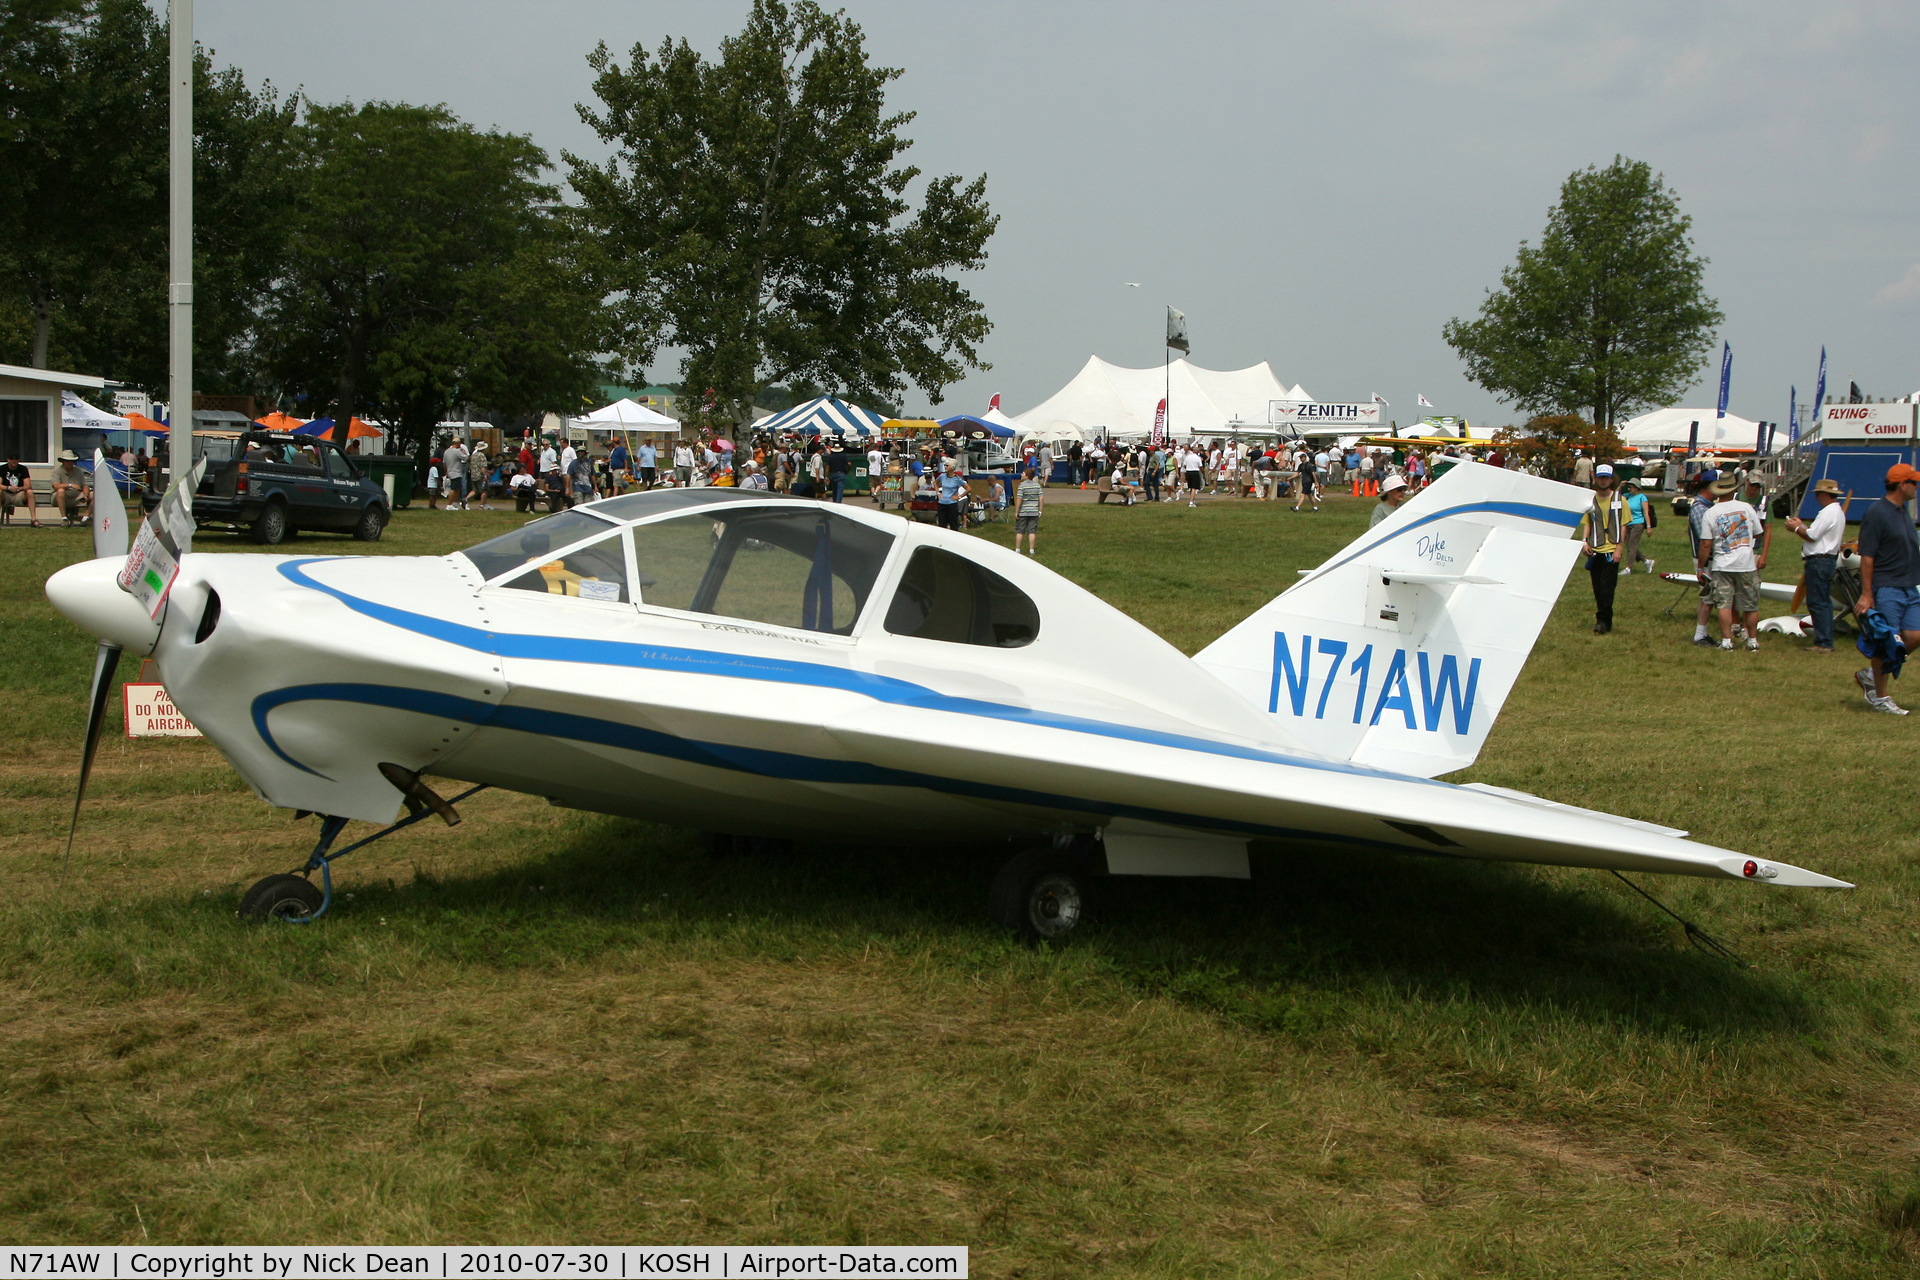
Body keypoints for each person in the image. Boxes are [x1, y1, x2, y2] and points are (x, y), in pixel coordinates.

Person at [1852, 463, 1920, 713]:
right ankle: (1880, 698)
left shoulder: (1903, 511)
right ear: (1902, 485)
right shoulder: (1877, 513)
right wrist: (1867, 594)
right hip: (1887, 587)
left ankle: (1871, 674)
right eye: (1914, 483)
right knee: (1886, 642)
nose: (1916, 487)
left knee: (1914, 636)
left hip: (1909, 586)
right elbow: (1867, 556)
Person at [1698, 474, 1764, 651]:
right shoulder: (1747, 508)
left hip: (1723, 564)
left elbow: (1705, 543)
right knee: (1750, 604)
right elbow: (1758, 532)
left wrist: (1700, 567)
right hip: (1746, 563)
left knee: (1724, 604)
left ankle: (1727, 641)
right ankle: (1752, 641)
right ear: (1735, 489)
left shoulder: (1711, 512)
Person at [1785, 478, 1846, 654]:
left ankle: (1824, 642)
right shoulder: (1837, 512)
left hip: (1819, 560)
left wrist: (1796, 529)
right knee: (1822, 601)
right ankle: (1824, 639)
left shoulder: (1827, 512)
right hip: (1826, 560)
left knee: (1818, 602)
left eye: (1818, 494)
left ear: (1826, 494)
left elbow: (1812, 535)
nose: (1817, 497)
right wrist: (1801, 526)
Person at [1576, 464, 1627, 634]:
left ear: (1612, 480)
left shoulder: (1619, 499)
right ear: (1595, 479)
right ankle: (1602, 619)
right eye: (1600, 478)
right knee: (1597, 588)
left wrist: (1619, 548)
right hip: (1595, 549)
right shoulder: (1591, 500)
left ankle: (1603, 622)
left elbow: (1623, 525)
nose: (1603, 481)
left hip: (1611, 549)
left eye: (1606, 478)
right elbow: (1587, 523)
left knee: (1607, 588)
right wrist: (1584, 542)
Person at [1685, 470, 1719, 646]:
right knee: (1708, 598)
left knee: (1706, 597)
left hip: (1706, 558)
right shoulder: (1700, 509)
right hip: (1705, 559)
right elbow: (1705, 540)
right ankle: (1700, 635)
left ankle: (1701, 633)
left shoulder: (1707, 508)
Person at [1619, 479, 1655, 576]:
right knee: (1630, 546)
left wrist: (1648, 527)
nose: (1629, 488)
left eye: (1631, 487)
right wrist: (1621, 486)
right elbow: (1615, 496)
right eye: (1629, 486)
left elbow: (1646, 513)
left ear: (1636, 487)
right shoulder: (1627, 496)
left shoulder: (1642, 497)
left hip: (1638, 524)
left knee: (1632, 546)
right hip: (1627, 523)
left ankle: (1629, 568)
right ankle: (1646, 561)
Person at [1, 450, 38, 526]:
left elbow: (28, 485)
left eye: (16, 459)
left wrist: (20, 488)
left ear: (19, 460)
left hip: (18, 495)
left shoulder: (23, 469)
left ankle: (34, 520)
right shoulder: (2, 469)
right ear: (8, 460)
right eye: (12, 459)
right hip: (5, 495)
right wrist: (8, 488)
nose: (14, 461)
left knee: (30, 492)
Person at [1013, 464, 1044, 554]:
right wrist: (1040, 510)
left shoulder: (1022, 486)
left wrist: (1017, 511)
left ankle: (1018, 549)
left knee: (1020, 530)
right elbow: (1041, 498)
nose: (1021, 475)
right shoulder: (1037, 485)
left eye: (1023, 473)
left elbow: (1019, 499)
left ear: (1027, 476)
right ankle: (1031, 550)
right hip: (1034, 511)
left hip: (1023, 511)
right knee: (1032, 531)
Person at [936, 461, 966, 530]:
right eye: (945, 465)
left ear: (952, 467)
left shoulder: (957, 479)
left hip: (952, 504)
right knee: (942, 525)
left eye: (947, 465)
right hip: (942, 503)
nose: (945, 467)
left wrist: (959, 497)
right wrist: (938, 493)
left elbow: (968, 489)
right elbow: (935, 483)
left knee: (953, 525)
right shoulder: (942, 476)